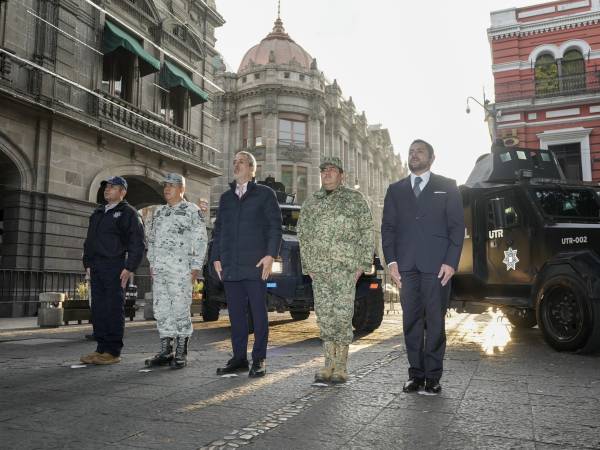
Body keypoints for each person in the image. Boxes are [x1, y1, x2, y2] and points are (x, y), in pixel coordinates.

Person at [381, 139, 465, 395]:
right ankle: (416, 375)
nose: (414, 155)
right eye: (411, 152)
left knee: (436, 322)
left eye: (419, 151)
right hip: (406, 268)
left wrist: (451, 262)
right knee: (411, 322)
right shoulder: (396, 190)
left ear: (431, 157)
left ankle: (434, 377)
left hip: (437, 267)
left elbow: (457, 227)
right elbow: (388, 229)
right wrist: (392, 263)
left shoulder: (447, 186)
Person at [297, 156, 374, 384]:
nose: (327, 174)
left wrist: (362, 264)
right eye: (323, 171)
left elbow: (367, 231)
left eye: (332, 170)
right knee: (325, 317)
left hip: (345, 269)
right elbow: (303, 234)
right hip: (319, 271)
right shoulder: (312, 202)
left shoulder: (354, 199)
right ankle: (328, 364)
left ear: (342, 175)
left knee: (342, 316)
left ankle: (341, 366)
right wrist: (308, 266)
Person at [211, 151, 282, 378]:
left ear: (252, 169)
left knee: (258, 313)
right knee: (236, 315)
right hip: (230, 266)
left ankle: (259, 359)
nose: (236, 165)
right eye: (234, 162)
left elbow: (274, 227)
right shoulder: (226, 198)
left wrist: (271, 255)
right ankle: (239, 358)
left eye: (241, 162)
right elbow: (219, 230)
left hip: (255, 264)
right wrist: (216, 257)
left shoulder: (264, 194)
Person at [81, 176, 145, 365]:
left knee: (113, 308)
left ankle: (112, 351)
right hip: (96, 267)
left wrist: (129, 267)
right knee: (98, 308)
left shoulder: (128, 213)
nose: (107, 190)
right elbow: (89, 240)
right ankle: (101, 348)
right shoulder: (98, 212)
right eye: (106, 187)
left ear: (122, 192)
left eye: (112, 187)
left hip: (115, 266)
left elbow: (137, 243)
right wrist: (88, 264)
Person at [146, 173, 208, 369]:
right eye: (166, 185)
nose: (167, 188)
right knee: (161, 309)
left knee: (180, 309)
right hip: (160, 270)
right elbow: (152, 240)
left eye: (172, 185)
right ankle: (166, 350)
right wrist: (152, 263)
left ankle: (181, 352)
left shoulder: (192, 210)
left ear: (182, 189)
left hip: (181, 270)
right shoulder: (159, 212)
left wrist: (196, 267)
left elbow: (200, 240)